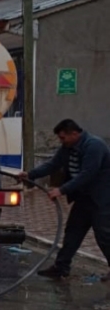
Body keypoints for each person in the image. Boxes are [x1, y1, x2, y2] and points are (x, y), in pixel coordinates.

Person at [19, 119, 110, 280]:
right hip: (84, 199)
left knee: (103, 235)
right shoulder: (68, 147)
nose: (61, 141)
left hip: (102, 199)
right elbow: (53, 164)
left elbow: (87, 174)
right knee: (72, 233)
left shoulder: (94, 146)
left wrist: (61, 190)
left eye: (63, 138)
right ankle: (61, 267)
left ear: (74, 134)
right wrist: (30, 174)